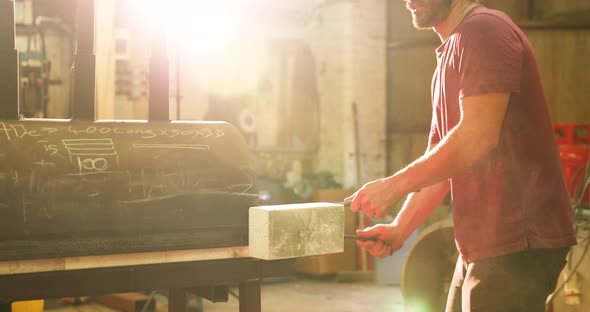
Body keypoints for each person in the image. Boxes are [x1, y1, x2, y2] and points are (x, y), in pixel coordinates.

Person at [344, 0, 577, 311]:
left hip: (519, 238)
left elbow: (477, 137)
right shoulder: (450, 53)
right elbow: (441, 160)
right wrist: (401, 229)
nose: (409, 1)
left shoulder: (484, 31)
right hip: (484, 243)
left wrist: (394, 186)